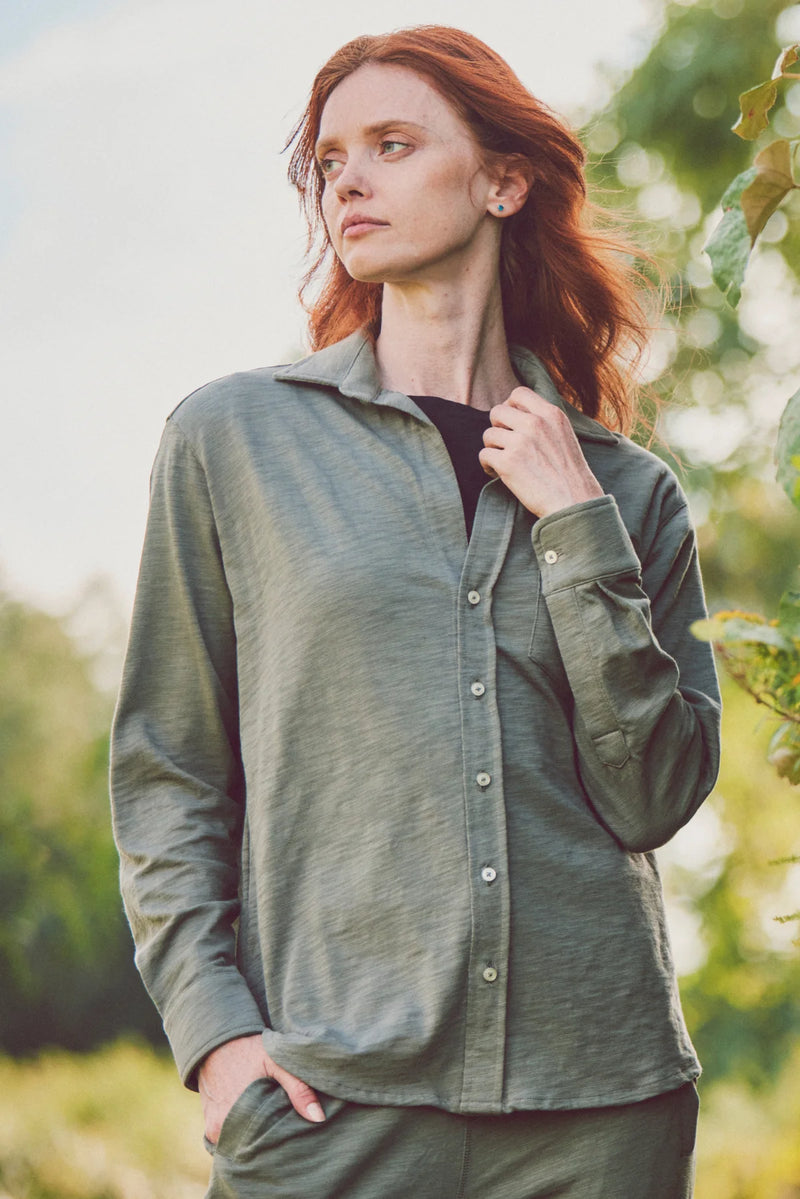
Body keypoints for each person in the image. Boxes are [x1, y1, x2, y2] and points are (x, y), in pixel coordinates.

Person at [110, 25, 721, 1199]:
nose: (348, 177)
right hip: (325, 1104)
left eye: (391, 144)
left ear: (503, 179)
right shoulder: (230, 440)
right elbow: (167, 769)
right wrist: (218, 1037)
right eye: (329, 158)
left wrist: (575, 526)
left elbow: (656, 795)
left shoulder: (629, 490)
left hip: (595, 1112)